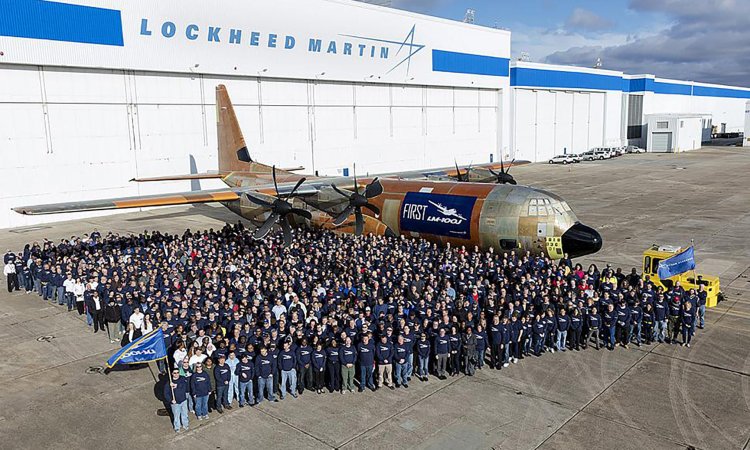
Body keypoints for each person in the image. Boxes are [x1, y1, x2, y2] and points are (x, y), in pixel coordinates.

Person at [164, 368, 189, 433]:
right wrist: (171, 400)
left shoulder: (182, 378)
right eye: (175, 373)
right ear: (172, 374)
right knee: (176, 416)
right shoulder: (168, 383)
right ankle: (177, 427)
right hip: (175, 403)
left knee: (185, 414)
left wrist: (177, 385)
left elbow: (184, 386)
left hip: (183, 400)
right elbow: (166, 393)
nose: (176, 374)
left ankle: (185, 425)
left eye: (177, 372)